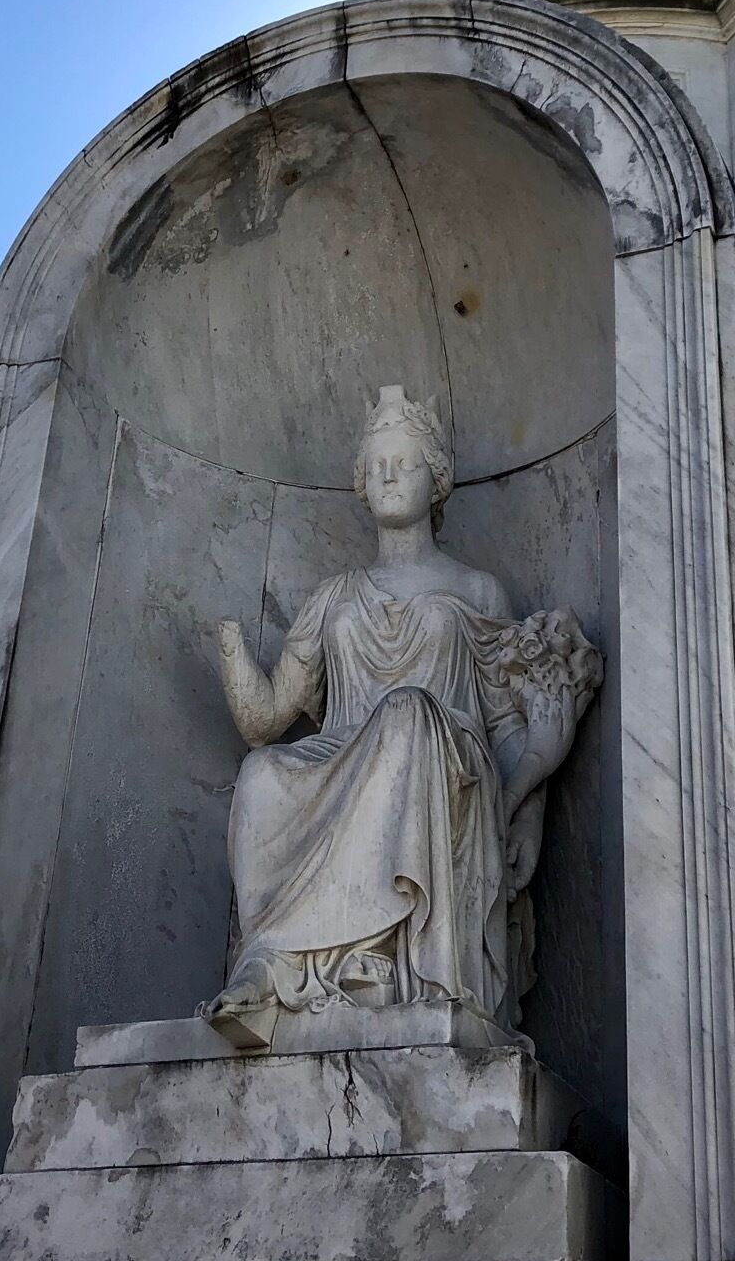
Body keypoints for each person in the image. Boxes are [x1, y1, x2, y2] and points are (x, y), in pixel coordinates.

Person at [205, 385, 601, 1049]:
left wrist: (522, 809)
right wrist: (227, 645)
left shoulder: (476, 591)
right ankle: (270, 966)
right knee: (260, 774)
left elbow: (505, 724)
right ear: (360, 481)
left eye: (405, 462)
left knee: (408, 715)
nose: (389, 475)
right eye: (377, 463)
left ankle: (384, 964)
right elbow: (264, 721)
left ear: (436, 479)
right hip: (343, 762)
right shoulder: (334, 597)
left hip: (443, 775)